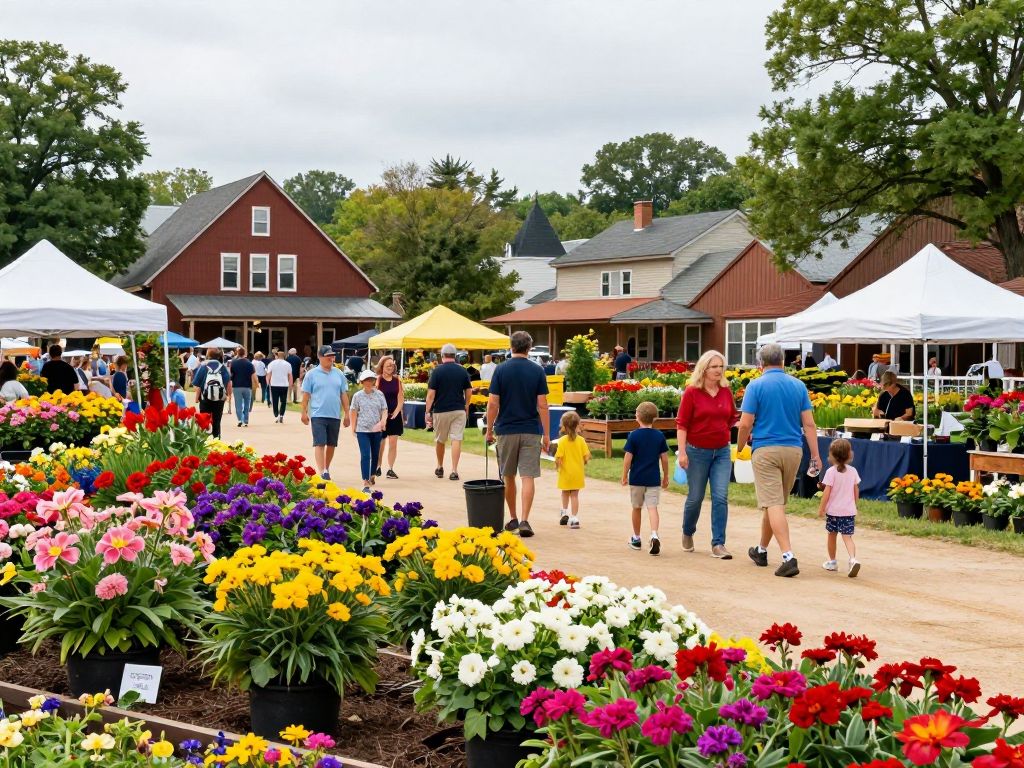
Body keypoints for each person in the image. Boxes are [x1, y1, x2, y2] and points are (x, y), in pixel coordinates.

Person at [736, 342, 822, 578]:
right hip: (793, 450)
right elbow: (809, 424)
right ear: (783, 361)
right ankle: (761, 550)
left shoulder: (756, 386)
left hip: (766, 449)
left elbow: (745, 423)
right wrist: (815, 455)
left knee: (773, 503)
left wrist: (741, 446)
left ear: (760, 363)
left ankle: (788, 556)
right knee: (774, 503)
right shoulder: (798, 385)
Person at [485, 330, 550, 538]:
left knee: (508, 475)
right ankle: (524, 519)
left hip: (506, 428)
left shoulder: (501, 370)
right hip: (531, 429)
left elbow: (493, 402)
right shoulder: (537, 370)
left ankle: (512, 517)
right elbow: (543, 404)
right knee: (528, 475)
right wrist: (546, 434)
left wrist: (489, 429)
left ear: (511, 347)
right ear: (529, 347)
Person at [676, 350, 737, 559]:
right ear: (704, 369)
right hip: (696, 452)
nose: (719, 370)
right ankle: (687, 531)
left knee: (721, 496)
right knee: (695, 498)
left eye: (721, 366)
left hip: (721, 451)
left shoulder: (726, 391)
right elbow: (682, 424)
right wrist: (682, 452)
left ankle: (718, 543)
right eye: (714, 366)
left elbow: (731, 418)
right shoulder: (692, 392)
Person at [621, 401, 669, 556]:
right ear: (654, 418)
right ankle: (654, 534)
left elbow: (628, 458)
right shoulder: (659, 436)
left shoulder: (633, 435)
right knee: (652, 507)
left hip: (637, 478)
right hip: (653, 478)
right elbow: (665, 458)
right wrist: (666, 476)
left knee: (636, 508)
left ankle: (636, 538)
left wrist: (624, 476)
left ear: (638, 416)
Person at [300, 345, 351, 480]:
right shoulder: (311, 374)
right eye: (328, 356)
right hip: (318, 414)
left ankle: (326, 468)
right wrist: (303, 412)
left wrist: (347, 413)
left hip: (334, 414)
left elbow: (343, 394)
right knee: (320, 443)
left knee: (331, 444)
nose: (331, 358)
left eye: (332, 356)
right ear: (320, 357)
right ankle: (322, 471)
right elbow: (306, 395)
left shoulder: (338, 373)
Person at [425, 343, 473, 481]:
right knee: (456, 439)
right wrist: (467, 404)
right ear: (455, 356)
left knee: (440, 439)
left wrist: (427, 411)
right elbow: (469, 390)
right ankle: (454, 470)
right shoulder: (462, 371)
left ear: (442, 356)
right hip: (459, 409)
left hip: (441, 410)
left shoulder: (437, 371)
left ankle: (440, 466)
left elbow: (431, 395)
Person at [817, 438, 861, 577]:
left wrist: (821, 508)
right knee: (848, 537)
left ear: (832, 455)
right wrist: (855, 504)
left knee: (832, 535)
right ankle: (853, 559)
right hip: (848, 511)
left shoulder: (831, 472)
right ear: (849, 455)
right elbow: (856, 490)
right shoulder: (853, 471)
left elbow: (827, 493)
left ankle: (832, 561)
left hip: (834, 512)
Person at [350, 369, 389, 493]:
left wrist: (383, 421)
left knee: (375, 454)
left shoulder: (379, 394)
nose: (369, 382)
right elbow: (353, 411)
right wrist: (353, 427)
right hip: (362, 430)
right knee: (366, 455)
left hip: (376, 429)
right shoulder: (357, 396)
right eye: (366, 380)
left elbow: (384, 409)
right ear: (362, 382)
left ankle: (372, 474)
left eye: (371, 380)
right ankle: (365, 481)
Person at [555, 410, 590, 529]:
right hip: (577, 473)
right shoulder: (581, 440)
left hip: (565, 472)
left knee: (565, 492)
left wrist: (557, 465)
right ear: (577, 425)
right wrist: (584, 461)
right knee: (574, 495)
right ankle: (574, 518)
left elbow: (559, 457)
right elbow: (586, 456)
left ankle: (564, 512)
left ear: (564, 426)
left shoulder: (562, 441)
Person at [375, 355, 405, 478]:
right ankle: (378, 466)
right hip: (381, 416)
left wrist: (397, 412)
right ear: (382, 367)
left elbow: (401, 397)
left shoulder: (397, 380)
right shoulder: (378, 380)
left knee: (393, 442)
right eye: (388, 365)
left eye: (392, 365)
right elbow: (375, 398)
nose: (390, 367)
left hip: (394, 415)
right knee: (381, 442)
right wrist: (382, 415)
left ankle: (390, 469)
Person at [192, 349, 230, 439]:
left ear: (208, 355)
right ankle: (217, 440)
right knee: (217, 421)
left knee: (204, 420)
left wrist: (196, 398)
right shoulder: (223, 367)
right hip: (219, 398)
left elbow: (197, 384)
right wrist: (227, 395)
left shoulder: (203, 366)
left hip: (205, 398)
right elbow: (227, 382)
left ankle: (203, 440)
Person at [228, 347, 258, 427]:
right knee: (247, 404)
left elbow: (230, 375)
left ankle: (239, 419)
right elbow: (254, 376)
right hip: (247, 386)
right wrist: (257, 383)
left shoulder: (233, 363)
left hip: (236, 386)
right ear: (245, 354)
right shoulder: (249, 364)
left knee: (238, 404)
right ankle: (246, 420)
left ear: (237, 353)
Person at [266, 350, 293, 423]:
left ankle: (276, 415)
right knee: (283, 400)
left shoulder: (272, 363)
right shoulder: (288, 364)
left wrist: (267, 383)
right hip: (284, 384)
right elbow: (290, 375)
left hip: (274, 384)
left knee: (275, 401)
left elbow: (268, 374)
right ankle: (281, 415)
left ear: (277, 356)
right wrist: (290, 384)